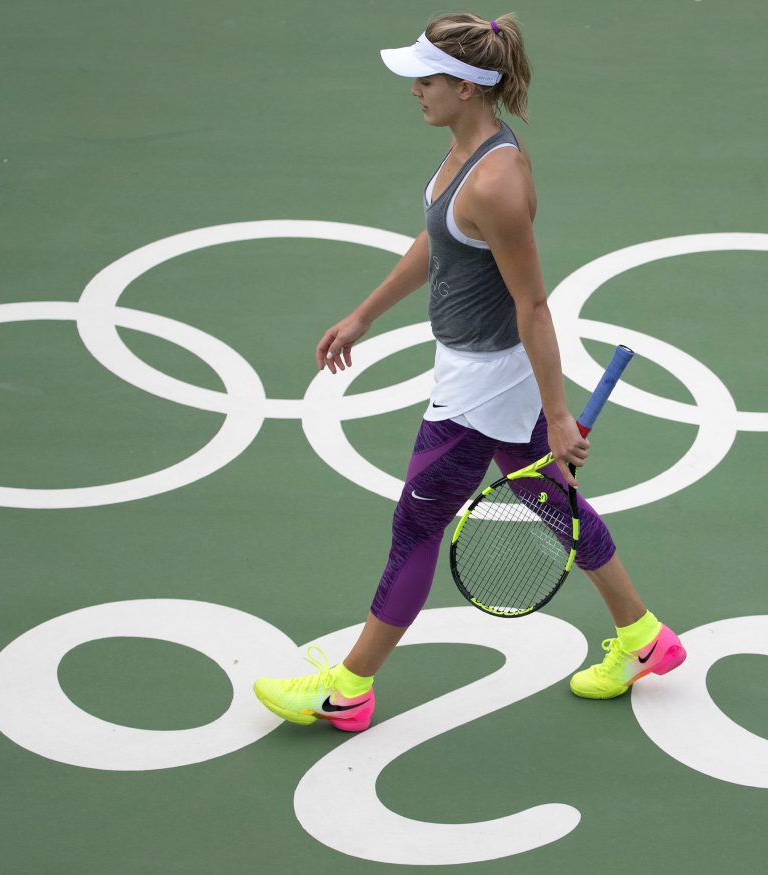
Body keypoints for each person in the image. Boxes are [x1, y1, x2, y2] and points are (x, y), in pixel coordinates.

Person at [253, 13, 685, 732]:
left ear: (466, 85)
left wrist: (554, 411)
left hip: (485, 381)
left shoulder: (496, 183)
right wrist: (366, 314)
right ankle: (644, 637)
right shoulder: (462, 152)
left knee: (417, 526)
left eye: (427, 79)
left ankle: (348, 689)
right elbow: (440, 244)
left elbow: (534, 304)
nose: (414, 89)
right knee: (550, 499)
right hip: (472, 362)